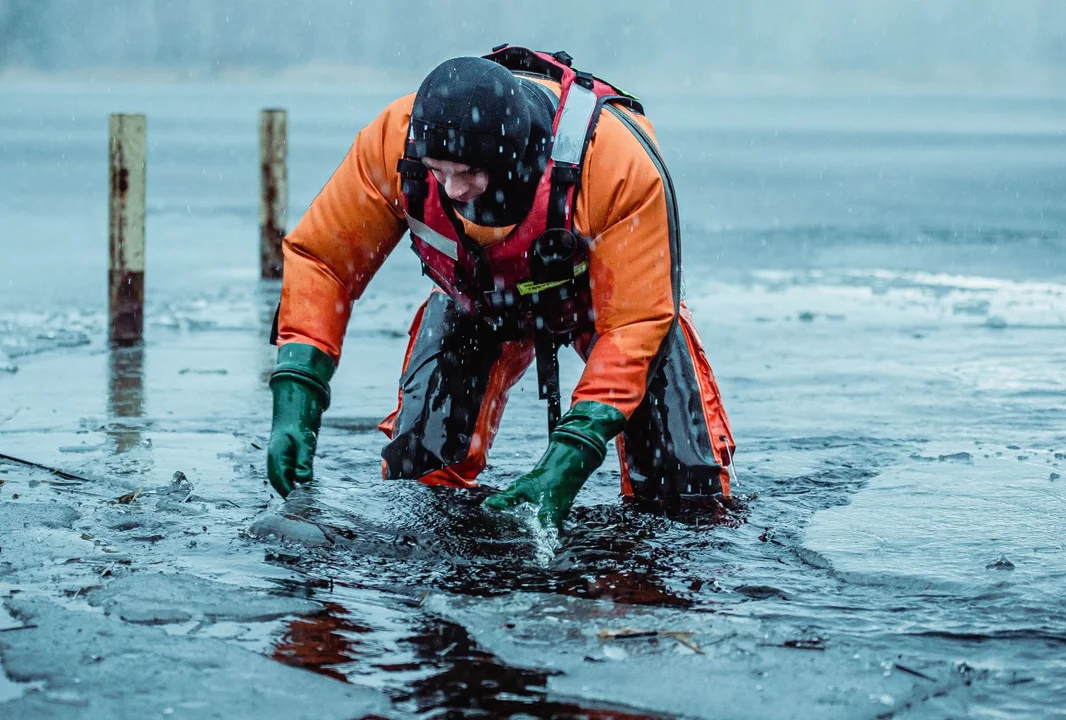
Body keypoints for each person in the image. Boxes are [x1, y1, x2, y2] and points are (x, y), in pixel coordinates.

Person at [267, 45, 736, 529]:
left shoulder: (615, 165)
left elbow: (634, 325)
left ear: (511, 156)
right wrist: (296, 394)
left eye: (468, 173)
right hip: (475, 304)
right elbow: (323, 263)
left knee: (685, 495)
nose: (450, 190)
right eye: (437, 171)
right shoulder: (394, 141)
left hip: (605, 310)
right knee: (419, 477)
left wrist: (570, 457)